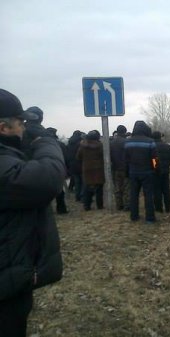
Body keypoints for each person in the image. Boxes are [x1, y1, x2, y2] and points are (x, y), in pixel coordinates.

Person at [0, 89, 65, 337]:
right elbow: (48, 178)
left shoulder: (9, 157)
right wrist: (45, 141)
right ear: (3, 128)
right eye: (20, 123)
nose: (24, 129)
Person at [125, 121, 158, 224]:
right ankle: (150, 218)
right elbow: (154, 158)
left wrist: (127, 171)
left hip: (133, 172)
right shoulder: (150, 141)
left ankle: (134, 216)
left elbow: (126, 159)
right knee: (148, 195)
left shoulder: (128, 142)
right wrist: (155, 169)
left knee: (133, 194)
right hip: (147, 172)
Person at [76, 130, 105, 211]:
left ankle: (87, 206)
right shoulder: (100, 145)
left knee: (87, 188)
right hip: (98, 169)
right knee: (99, 189)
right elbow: (104, 155)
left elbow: (78, 157)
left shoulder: (83, 146)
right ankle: (100, 205)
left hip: (87, 168)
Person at [47, 127, 69, 214]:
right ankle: (61, 209)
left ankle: (47, 211)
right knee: (60, 190)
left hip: (44, 169)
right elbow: (66, 157)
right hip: (59, 169)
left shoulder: (40, 144)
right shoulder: (60, 144)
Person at [152, 131, 170, 213]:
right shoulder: (167, 146)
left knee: (156, 190)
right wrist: (167, 164)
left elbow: (153, 159)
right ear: (160, 137)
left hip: (155, 172)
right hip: (165, 170)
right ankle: (168, 208)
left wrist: (154, 167)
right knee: (166, 190)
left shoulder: (152, 146)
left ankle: (159, 208)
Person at [110, 125, 130, 211]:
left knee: (117, 188)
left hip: (115, 168)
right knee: (126, 188)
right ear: (125, 132)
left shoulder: (111, 143)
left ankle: (119, 205)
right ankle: (127, 205)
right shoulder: (127, 142)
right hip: (125, 168)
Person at [66, 130, 84, 202]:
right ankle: (82, 196)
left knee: (76, 182)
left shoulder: (69, 143)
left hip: (72, 165)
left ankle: (77, 197)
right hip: (80, 164)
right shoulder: (80, 143)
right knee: (82, 182)